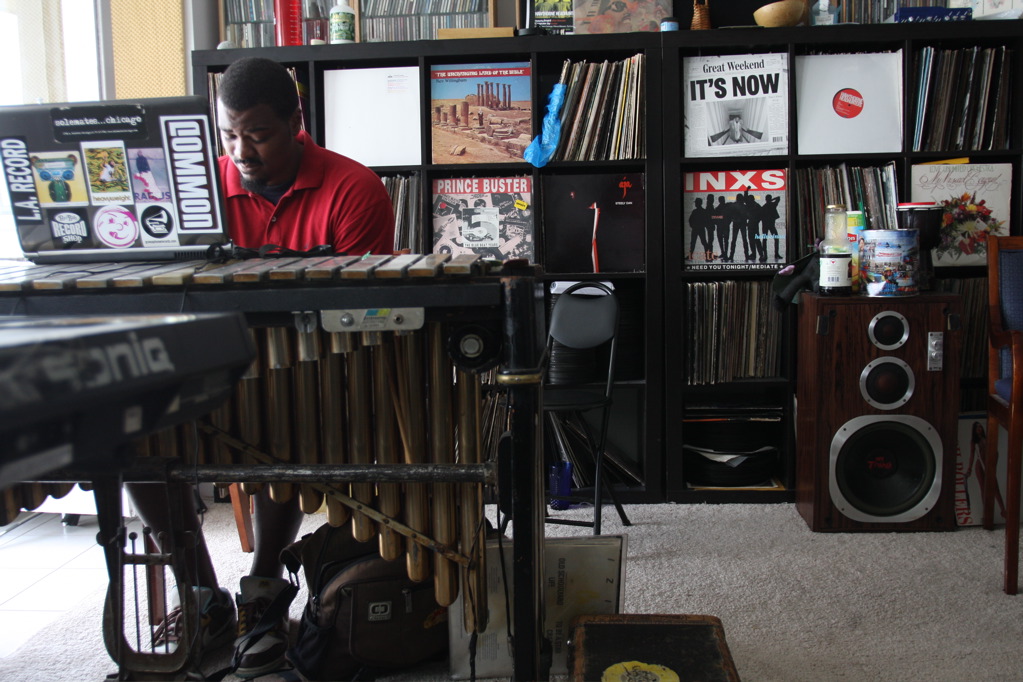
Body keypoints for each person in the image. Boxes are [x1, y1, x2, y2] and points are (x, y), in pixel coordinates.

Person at [126, 55, 395, 678]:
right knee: (133, 432)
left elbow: (360, 317)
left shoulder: (355, 189)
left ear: (296, 122)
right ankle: (201, 593)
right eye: (228, 135)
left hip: (308, 374)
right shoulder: (196, 191)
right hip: (204, 364)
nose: (241, 151)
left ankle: (264, 591)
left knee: (287, 417)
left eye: (258, 134)